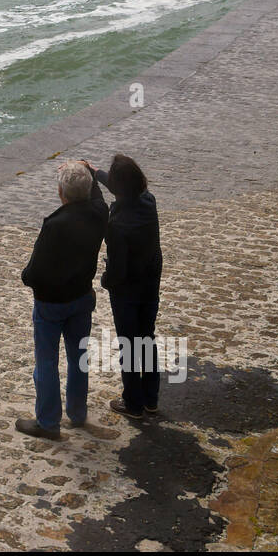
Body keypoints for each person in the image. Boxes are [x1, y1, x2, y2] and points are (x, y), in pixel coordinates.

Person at [16, 160, 108, 441]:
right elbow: (98, 195)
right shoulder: (99, 213)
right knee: (79, 357)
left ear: (61, 193)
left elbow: (35, 271)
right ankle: (77, 414)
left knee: (46, 361)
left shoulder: (55, 224)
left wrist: (25, 277)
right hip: (81, 296)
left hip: (51, 304)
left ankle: (48, 422)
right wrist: (89, 170)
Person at [89, 154, 163, 420]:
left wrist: (105, 281)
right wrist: (95, 171)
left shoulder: (117, 225)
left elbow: (118, 270)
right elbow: (122, 187)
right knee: (146, 338)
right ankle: (151, 399)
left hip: (127, 291)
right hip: (150, 284)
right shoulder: (148, 201)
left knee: (129, 345)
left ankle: (132, 404)